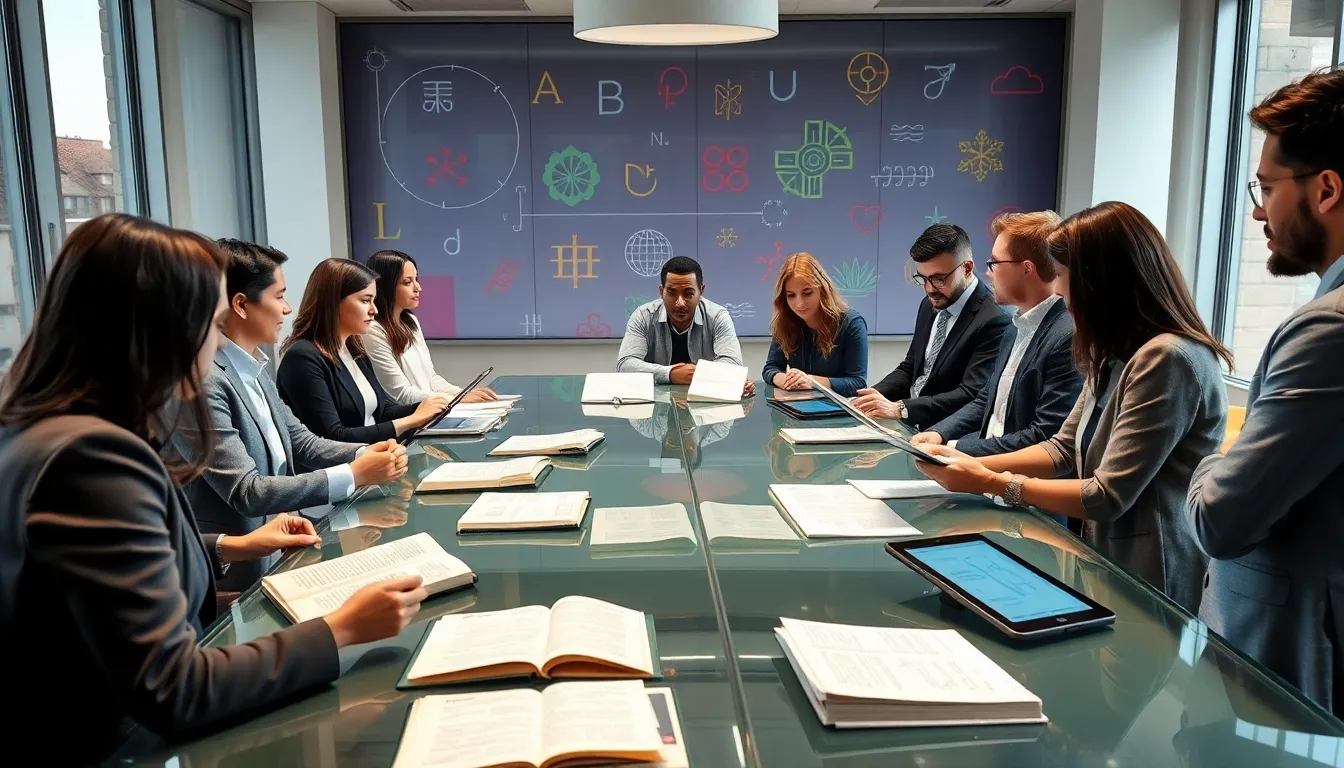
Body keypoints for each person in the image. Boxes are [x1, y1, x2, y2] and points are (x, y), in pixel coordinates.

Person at [0, 214, 428, 763]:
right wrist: (340, 629)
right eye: (210, 318)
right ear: (162, 327)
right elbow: (173, 687)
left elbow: (97, 567)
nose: (216, 336)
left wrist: (227, 546)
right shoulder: (94, 456)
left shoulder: (41, 428)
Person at [913, 202, 1231, 615]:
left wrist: (991, 481)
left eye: (1064, 278)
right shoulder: (1112, 351)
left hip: (1150, 574)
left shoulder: (1167, 359)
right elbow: (1062, 448)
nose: (1060, 294)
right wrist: (970, 466)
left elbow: (1106, 495)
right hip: (1102, 558)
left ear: (1101, 283)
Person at [1185, 70, 1344, 713]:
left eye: (1267, 188)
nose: (1257, 211)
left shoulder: (1327, 329)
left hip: (1284, 684)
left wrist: (1214, 454)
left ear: (1326, 189)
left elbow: (1219, 519)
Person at [176, 239, 410, 592]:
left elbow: (302, 443)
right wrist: (353, 473)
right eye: (280, 296)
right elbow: (248, 491)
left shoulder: (253, 367)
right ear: (240, 304)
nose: (287, 309)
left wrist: (366, 453)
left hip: (282, 556)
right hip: (232, 581)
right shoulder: (204, 381)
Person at [910, 211, 1081, 457]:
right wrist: (938, 433)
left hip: (1012, 475)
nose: (988, 273)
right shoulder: (1015, 328)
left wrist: (952, 448)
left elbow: (1044, 437)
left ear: (1026, 269)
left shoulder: (1066, 337)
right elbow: (985, 401)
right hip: (983, 462)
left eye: (995, 263)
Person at [853, 223, 1010, 427]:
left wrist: (901, 409)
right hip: (909, 425)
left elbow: (971, 395)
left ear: (967, 268)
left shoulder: (994, 319)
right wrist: (870, 396)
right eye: (923, 279)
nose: (929, 289)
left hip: (946, 434)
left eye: (938, 279)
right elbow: (911, 368)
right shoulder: (929, 304)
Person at [277, 258, 450, 442]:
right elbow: (332, 436)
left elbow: (382, 411)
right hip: (353, 459)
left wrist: (428, 407)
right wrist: (411, 421)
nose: (374, 310)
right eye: (366, 301)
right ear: (333, 302)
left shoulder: (354, 348)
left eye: (374, 301)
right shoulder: (303, 358)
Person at [362, 249, 498, 405]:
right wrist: (456, 400)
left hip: (430, 409)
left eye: (416, 279)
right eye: (407, 282)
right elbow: (400, 394)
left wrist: (462, 393)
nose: (418, 287)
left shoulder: (410, 322)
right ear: (385, 286)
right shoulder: (373, 331)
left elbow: (431, 379)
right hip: (411, 415)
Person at [617, 256, 754, 397]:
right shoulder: (643, 316)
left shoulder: (717, 316)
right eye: (671, 293)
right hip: (655, 404)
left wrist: (697, 373)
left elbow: (733, 363)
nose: (680, 303)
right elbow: (625, 365)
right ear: (661, 292)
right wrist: (670, 373)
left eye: (688, 294)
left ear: (701, 291)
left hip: (705, 404)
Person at [762, 252, 869, 397]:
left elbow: (858, 382)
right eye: (791, 295)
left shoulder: (851, 323)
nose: (799, 303)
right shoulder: (784, 322)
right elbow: (771, 368)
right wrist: (785, 380)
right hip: (798, 405)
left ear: (822, 290)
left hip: (840, 407)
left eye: (807, 293)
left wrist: (811, 381)